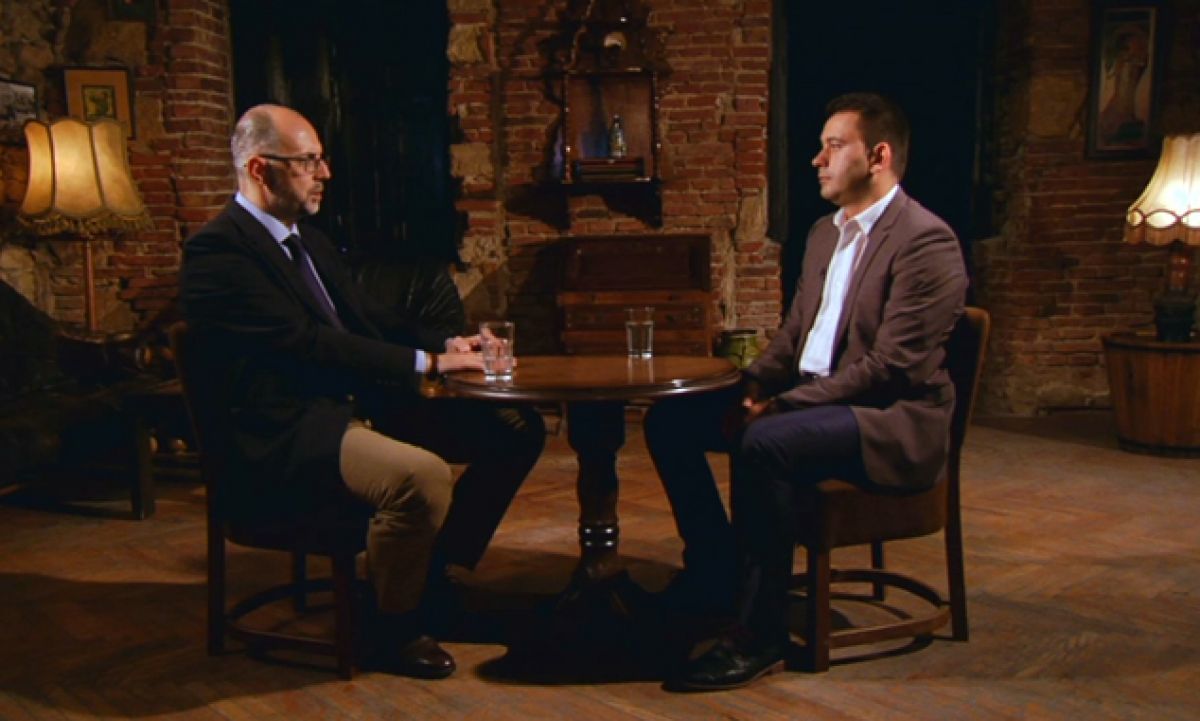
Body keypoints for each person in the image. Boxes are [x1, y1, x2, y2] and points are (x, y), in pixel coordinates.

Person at [181, 104, 545, 679]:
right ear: (259, 168)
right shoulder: (218, 253)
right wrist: (429, 364)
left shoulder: (309, 240)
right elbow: (308, 344)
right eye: (308, 161)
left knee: (515, 428)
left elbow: (369, 317)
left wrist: (449, 342)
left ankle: (433, 576)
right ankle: (391, 628)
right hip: (287, 430)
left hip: (350, 407)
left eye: (321, 159)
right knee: (421, 477)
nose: (324, 173)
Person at [644, 92, 967, 691]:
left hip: (887, 417)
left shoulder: (926, 241)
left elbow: (890, 368)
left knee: (764, 441)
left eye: (833, 146)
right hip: (815, 399)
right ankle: (716, 573)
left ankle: (759, 633)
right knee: (670, 421)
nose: (817, 160)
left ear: (878, 157)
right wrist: (754, 384)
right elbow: (794, 335)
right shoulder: (824, 234)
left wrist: (780, 406)